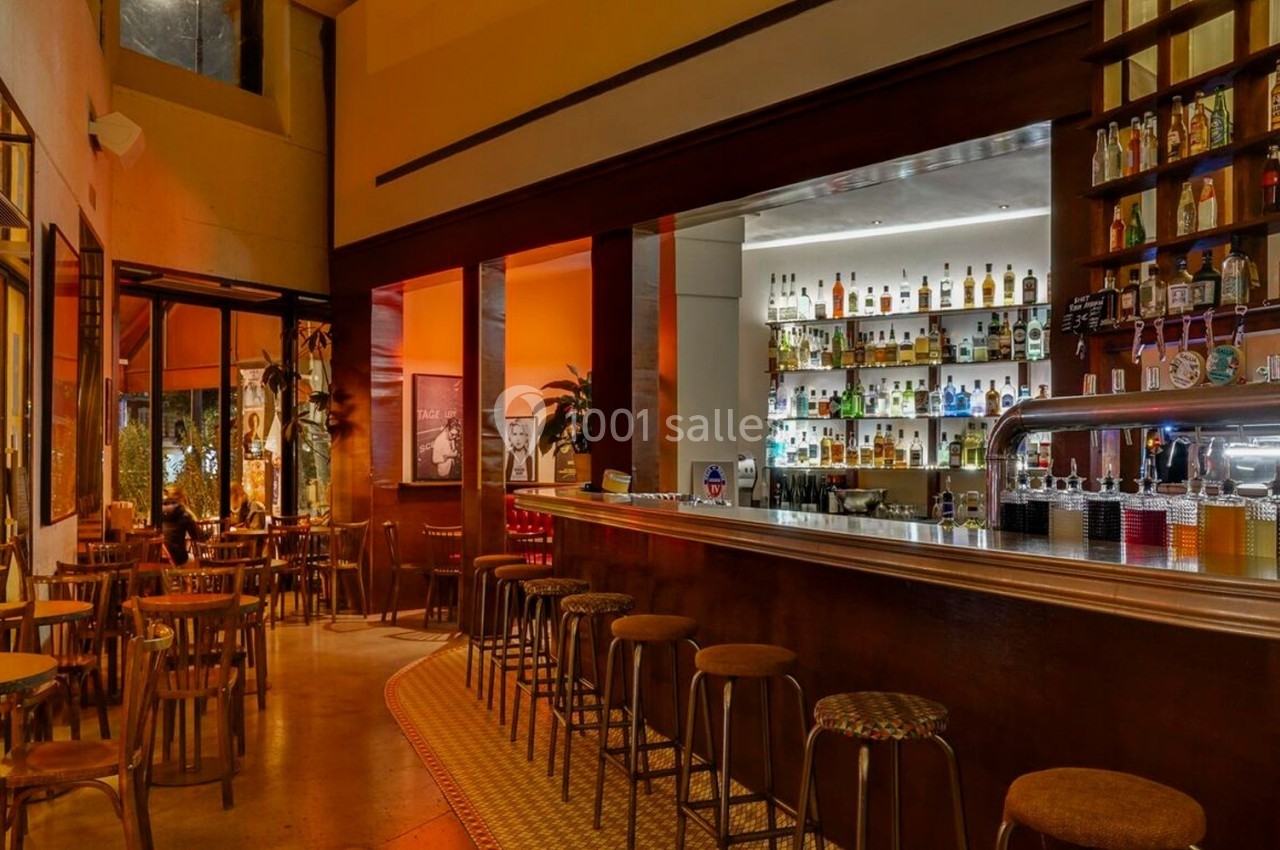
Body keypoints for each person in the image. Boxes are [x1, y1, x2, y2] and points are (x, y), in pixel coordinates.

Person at [161, 485, 205, 566]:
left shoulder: (157, 511)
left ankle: (179, 578)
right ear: (181, 498)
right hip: (178, 558)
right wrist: (210, 532)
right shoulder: (183, 513)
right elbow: (198, 536)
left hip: (161, 559)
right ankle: (187, 578)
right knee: (194, 560)